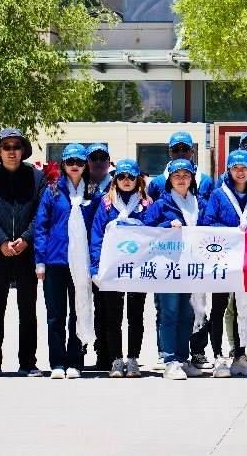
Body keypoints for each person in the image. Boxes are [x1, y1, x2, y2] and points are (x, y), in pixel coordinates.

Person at [0, 128, 45, 379]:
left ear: (23, 150)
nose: (12, 151)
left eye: (16, 146)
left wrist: (26, 239)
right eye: (7, 147)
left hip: (27, 253)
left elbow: (41, 214)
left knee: (28, 311)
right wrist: (2, 241)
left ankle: (28, 362)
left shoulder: (36, 178)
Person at [32, 142, 96, 380]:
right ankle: (57, 362)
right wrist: (40, 261)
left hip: (81, 262)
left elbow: (98, 228)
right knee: (55, 315)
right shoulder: (53, 192)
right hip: (55, 260)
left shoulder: (93, 193)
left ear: (85, 165)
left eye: (79, 162)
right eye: (70, 162)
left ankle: (75, 361)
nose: (75, 166)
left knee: (79, 311)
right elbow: (41, 227)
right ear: (63, 164)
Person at [200, 150, 247, 378]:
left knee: (242, 308)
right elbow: (208, 222)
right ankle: (219, 357)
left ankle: (240, 356)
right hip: (222, 258)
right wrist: (232, 232)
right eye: (236, 168)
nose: (240, 172)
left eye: (244, 167)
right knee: (219, 306)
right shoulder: (219, 194)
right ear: (228, 170)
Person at [143, 158, 206, 379]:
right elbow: (146, 230)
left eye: (186, 175)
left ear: (192, 179)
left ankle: (182, 358)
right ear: (169, 179)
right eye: (177, 176)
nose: (181, 179)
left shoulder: (199, 203)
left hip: (191, 266)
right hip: (167, 267)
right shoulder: (161, 204)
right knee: (169, 312)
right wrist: (166, 225)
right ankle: (169, 360)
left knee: (187, 314)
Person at [89, 158, 152, 377]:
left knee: (135, 315)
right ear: (115, 179)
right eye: (122, 176)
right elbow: (96, 236)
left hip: (138, 269)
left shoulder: (146, 204)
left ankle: (133, 359)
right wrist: (95, 268)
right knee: (112, 316)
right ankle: (116, 359)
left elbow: (156, 231)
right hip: (112, 269)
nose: (126, 180)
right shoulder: (106, 203)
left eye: (131, 177)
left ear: (138, 179)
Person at [83, 141, 114, 370]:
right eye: (94, 158)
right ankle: (78, 351)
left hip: (105, 256)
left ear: (109, 161)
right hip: (78, 253)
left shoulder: (116, 184)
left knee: (104, 307)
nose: (98, 162)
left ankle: (104, 353)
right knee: (80, 304)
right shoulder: (79, 184)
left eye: (103, 158)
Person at [146, 131, 196, 202]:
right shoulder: (157, 183)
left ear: (192, 151)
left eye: (185, 149)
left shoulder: (205, 181)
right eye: (176, 150)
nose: (180, 153)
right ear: (170, 152)